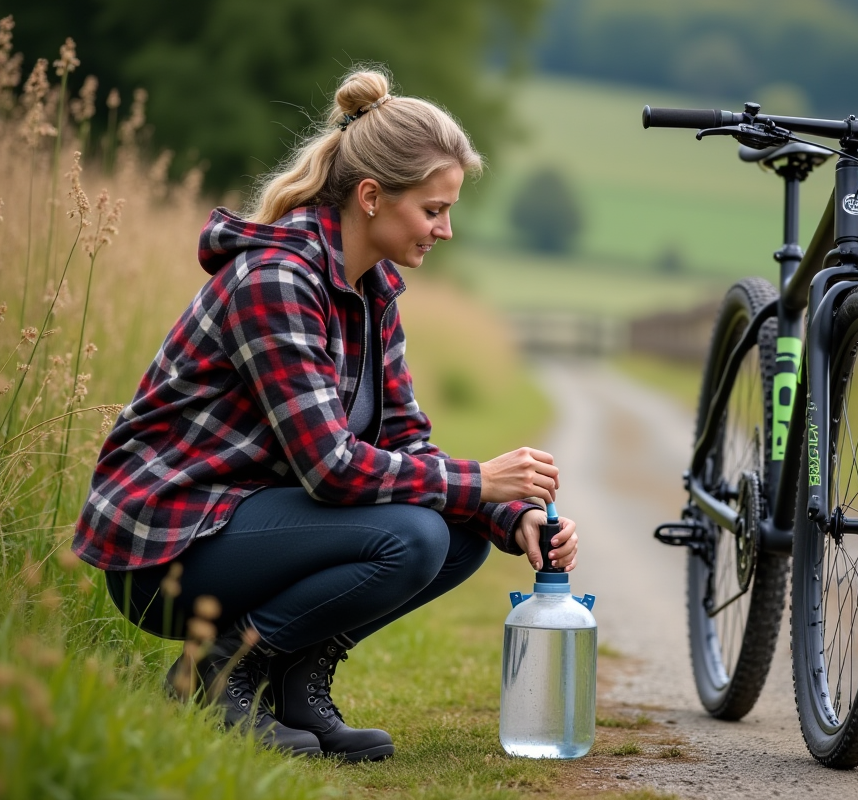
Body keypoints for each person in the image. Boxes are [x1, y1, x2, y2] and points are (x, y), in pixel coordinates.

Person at [72, 68, 579, 762]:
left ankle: (297, 685)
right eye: (434, 209)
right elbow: (330, 468)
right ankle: (217, 672)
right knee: (416, 536)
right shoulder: (276, 280)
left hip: (246, 522)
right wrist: (481, 483)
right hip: (167, 544)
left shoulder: (371, 293)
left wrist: (507, 516)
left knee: (459, 534)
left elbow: (405, 443)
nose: (447, 229)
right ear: (371, 197)